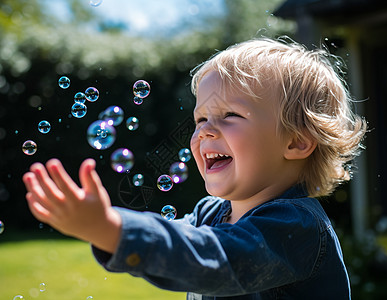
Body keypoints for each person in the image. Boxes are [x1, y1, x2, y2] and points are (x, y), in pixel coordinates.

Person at [23, 37, 367, 299]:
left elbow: (211, 258)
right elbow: (179, 244)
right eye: (201, 118)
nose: (204, 130)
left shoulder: (298, 226)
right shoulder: (209, 213)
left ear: (296, 142)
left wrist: (112, 228)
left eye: (230, 115)